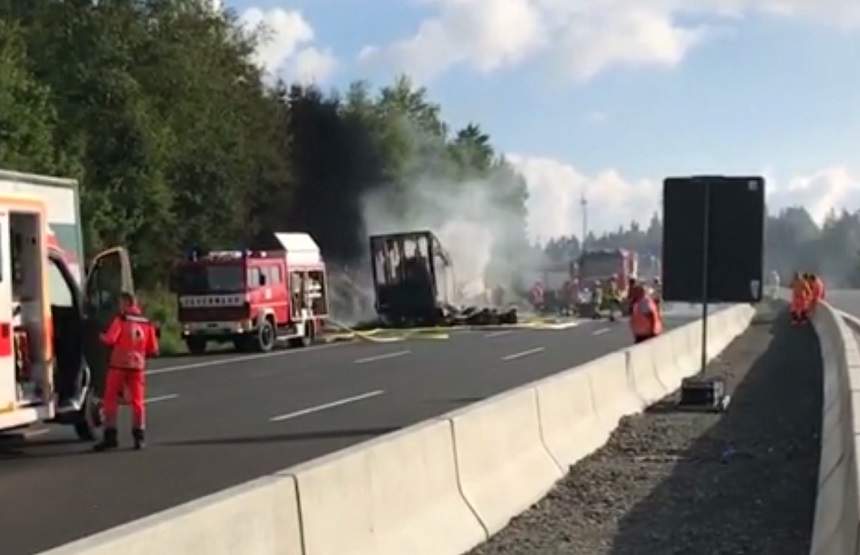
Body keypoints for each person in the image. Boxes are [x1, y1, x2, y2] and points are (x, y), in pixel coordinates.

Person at [94, 292, 159, 451]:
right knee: (138, 402)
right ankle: (139, 436)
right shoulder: (146, 323)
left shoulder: (121, 320)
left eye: (121, 303)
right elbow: (153, 349)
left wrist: (99, 336)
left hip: (118, 365)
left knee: (110, 400)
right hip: (137, 367)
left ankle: (111, 436)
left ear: (126, 303)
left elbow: (110, 339)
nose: (119, 306)